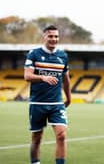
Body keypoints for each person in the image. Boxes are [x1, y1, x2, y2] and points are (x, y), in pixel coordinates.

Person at [24, 25, 71, 164]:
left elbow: (66, 79)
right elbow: (27, 76)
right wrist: (43, 78)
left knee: (61, 135)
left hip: (56, 103)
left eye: (56, 36)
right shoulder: (34, 54)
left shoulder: (63, 56)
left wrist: (69, 97)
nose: (54, 39)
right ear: (44, 37)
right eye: (50, 36)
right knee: (37, 138)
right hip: (37, 103)